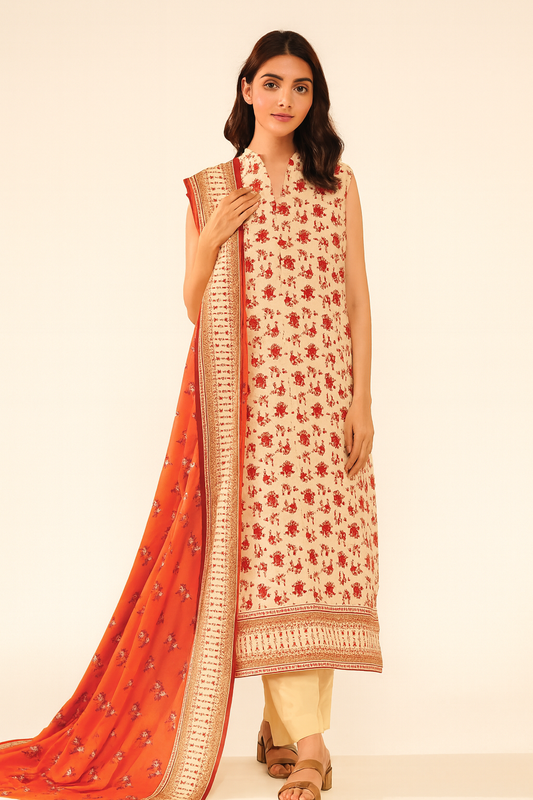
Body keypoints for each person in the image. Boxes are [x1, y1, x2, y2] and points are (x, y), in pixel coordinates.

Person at [0, 30, 381, 800]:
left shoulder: (334, 183)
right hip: (252, 409)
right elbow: (191, 304)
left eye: (300, 87)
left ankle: (280, 727)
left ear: (315, 99)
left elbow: (356, 294)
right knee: (271, 569)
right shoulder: (213, 187)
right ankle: (309, 748)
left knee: (316, 564)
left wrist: (361, 399)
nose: (284, 99)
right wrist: (210, 238)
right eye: (270, 83)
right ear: (245, 91)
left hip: (322, 404)